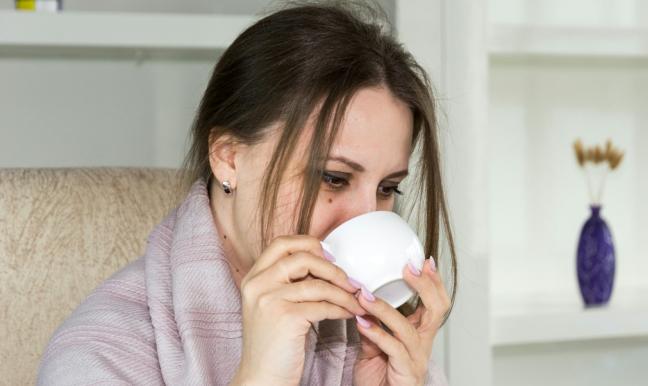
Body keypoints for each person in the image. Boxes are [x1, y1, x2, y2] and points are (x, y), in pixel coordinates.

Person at [38, 1, 457, 385]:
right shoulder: (100, 353)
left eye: (387, 188)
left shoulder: (370, 342)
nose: (366, 215)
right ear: (229, 158)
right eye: (333, 178)